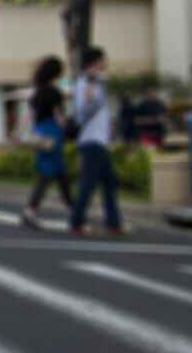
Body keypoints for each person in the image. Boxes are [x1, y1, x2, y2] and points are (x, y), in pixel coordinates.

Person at [70, 47, 126, 235]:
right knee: (90, 184)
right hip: (91, 139)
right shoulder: (85, 82)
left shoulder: (98, 82)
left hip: (99, 140)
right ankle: (79, 221)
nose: (105, 64)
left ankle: (113, 222)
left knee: (108, 182)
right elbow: (81, 113)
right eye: (102, 60)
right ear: (93, 63)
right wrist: (95, 98)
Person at [21, 56, 74, 228]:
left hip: (40, 132)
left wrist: (23, 133)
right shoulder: (55, 93)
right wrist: (69, 128)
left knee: (57, 172)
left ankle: (72, 209)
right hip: (52, 133)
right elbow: (59, 116)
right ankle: (31, 210)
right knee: (51, 173)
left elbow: (30, 115)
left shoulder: (37, 92)